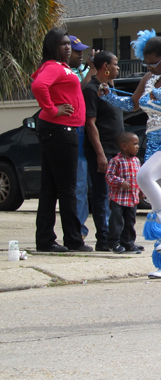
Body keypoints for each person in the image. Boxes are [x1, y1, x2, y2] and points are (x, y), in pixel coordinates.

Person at [100, 30, 161, 277]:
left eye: (154, 62)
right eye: (147, 63)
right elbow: (131, 104)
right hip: (155, 143)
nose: (150, 67)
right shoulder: (148, 78)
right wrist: (108, 95)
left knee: (143, 176)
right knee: (158, 204)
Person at [30, 28, 92, 253]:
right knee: (67, 188)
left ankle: (45, 240)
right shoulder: (54, 67)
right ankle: (74, 239)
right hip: (59, 130)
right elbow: (38, 86)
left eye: (69, 44)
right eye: (63, 44)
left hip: (58, 130)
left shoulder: (62, 68)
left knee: (50, 188)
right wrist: (52, 109)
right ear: (52, 47)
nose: (68, 48)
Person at [82, 50, 123, 251]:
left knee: (119, 197)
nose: (118, 68)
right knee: (102, 195)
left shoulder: (110, 88)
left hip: (117, 151)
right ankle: (104, 239)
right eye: (115, 64)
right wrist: (100, 154)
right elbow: (90, 124)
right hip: (103, 150)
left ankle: (120, 238)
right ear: (105, 66)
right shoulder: (91, 90)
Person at [68, 35, 92, 239]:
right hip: (75, 132)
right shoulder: (65, 73)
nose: (80, 54)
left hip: (89, 131)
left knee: (88, 186)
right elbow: (78, 91)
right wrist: (92, 71)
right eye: (76, 51)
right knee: (79, 185)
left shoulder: (81, 70)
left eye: (81, 50)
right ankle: (79, 231)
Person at [105, 131, 143, 254]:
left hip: (132, 199)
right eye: (135, 144)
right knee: (117, 222)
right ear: (124, 146)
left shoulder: (136, 161)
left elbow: (140, 177)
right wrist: (120, 182)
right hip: (119, 199)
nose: (138, 146)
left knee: (130, 222)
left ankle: (128, 243)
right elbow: (109, 176)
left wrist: (142, 190)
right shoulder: (116, 161)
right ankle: (114, 243)